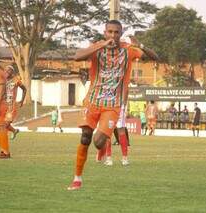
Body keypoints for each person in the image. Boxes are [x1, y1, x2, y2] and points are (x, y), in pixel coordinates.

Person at [67, 19, 158, 190]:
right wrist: (100, 45)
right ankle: (77, 178)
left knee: (98, 142)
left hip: (112, 105)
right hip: (92, 101)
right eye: (110, 32)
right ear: (105, 32)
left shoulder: (128, 50)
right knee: (85, 137)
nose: (113, 35)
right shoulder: (97, 48)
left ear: (121, 34)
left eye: (116, 32)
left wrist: (142, 45)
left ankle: (102, 148)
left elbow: (156, 58)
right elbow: (77, 56)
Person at [4, 65, 26, 140]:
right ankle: (14, 131)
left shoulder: (16, 80)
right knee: (2, 125)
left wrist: (22, 101)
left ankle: (0, 145)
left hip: (11, 107)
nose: (6, 71)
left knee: (5, 125)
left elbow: (24, 89)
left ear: (12, 72)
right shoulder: (3, 80)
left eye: (8, 70)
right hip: (3, 106)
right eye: (5, 70)